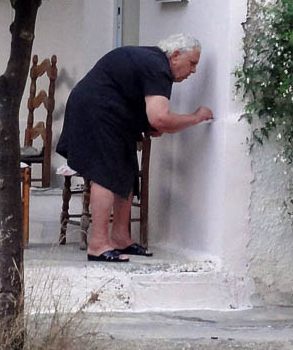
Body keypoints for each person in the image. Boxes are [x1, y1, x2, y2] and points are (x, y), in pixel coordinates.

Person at [56, 33, 213, 262]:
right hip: (96, 111)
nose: (194, 71)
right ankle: (98, 244)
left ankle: (120, 238)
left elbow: (143, 106)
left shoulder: (154, 63)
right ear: (176, 55)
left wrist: (148, 125)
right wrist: (195, 118)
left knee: (126, 172)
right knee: (105, 174)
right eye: (192, 63)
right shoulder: (158, 68)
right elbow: (160, 118)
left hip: (111, 113)